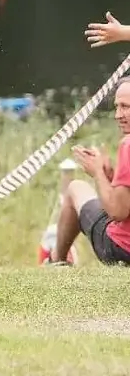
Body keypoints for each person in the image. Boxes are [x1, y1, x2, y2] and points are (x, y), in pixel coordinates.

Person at [44, 78, 130, 267]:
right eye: (117, 107)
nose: (118, 115)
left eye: (126, 107)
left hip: (121, 250)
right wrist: (110, 176)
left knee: (76, 188)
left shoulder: (128, 145)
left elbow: (118, 212)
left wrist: (97, 172)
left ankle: (57, 261)